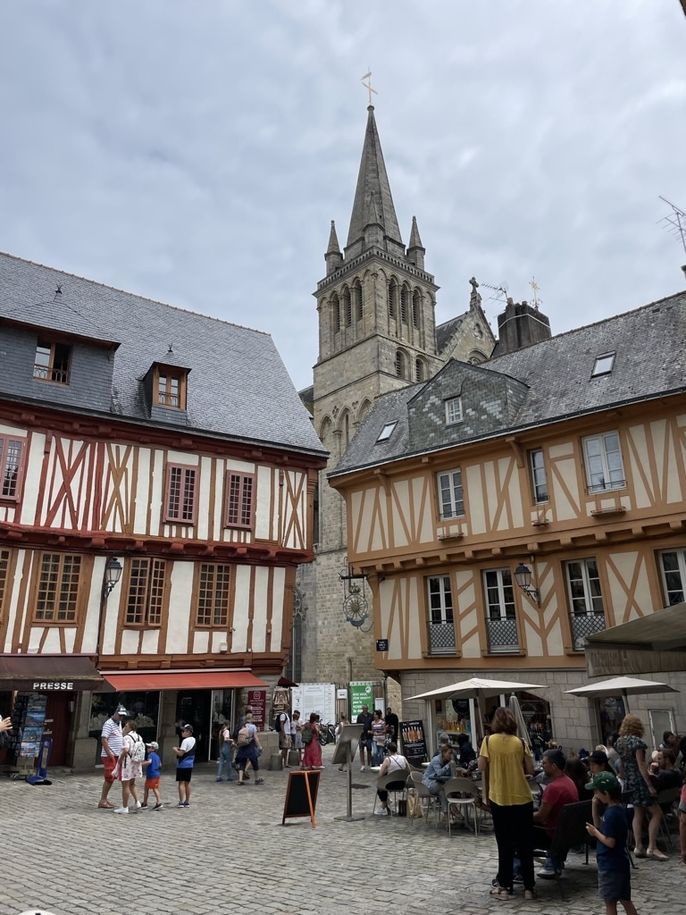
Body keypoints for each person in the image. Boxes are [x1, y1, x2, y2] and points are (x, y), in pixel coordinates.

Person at [478, 706, 535, 901]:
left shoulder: (488, 741)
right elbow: (530, 768)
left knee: (505, 844)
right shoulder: (520, 742)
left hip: (500, 797)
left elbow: (481, 766)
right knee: (525, 844)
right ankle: (529, 887)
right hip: (522, 798)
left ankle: (505, 886)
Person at [585, 772, 638, 915]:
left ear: (606, 793)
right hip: (620, 863)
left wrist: (595, 833)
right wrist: (594, 806)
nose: (595, 794)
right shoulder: (618, 809)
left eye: (597, 791)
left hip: (610, 865)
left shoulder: (611, 814)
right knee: (626, 900)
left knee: (610, 903)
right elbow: (600, 826)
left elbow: (610, 842)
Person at [615, 714, 666, 860]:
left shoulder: (620, 742)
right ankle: (652, 847)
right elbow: (641, 764)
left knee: (638, 813)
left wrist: (623, 776)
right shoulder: (637, 742)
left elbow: (622, 765)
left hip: (629, 781)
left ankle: (638, 846)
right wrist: (649, 784)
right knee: (657, 813)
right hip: (639, 781)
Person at [533, 748, 579, 878]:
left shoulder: (553, 788)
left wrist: (521, 816)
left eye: (544, 763)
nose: (542, 766)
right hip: (568, 832)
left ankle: (517, 869)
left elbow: (541, 816)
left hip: (553, 833)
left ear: (554, 766)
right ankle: (554, 862)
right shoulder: (569, 782)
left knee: (516, 830)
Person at [98, 705, 127, 809]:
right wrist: (109, 753)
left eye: (123, 716)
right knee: (109, 777)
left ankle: (105, 799)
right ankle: (102, 800)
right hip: (110, 755)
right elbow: (104, 739)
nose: (121, 717)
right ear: (115, 713)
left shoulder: (118, 723)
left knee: (112, 777)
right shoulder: (108, 724)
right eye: (120, 715)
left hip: (116, 754)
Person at [114, 719, 144, 814]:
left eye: (126, 726)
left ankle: (125, 807)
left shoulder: (127, 737)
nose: (124, 727)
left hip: (128, 763)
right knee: (132, 783)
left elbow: (126, 749)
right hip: (136, 763)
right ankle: (137, 802)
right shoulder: (139, 737)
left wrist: (120, 760)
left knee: (125, 785)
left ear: (130, 727)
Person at [375, 742, 409, 816]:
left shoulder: (388, 760)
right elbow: (408, 770)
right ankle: (387, 801)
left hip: (391, 784)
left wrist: (386, 772)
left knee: (379, 785)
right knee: (382, 783)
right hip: (402, 784)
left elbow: (380, 774)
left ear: (389, 751)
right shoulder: (403, 758)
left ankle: (384, 804)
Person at [422, 744, 453, 816]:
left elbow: (449, 774)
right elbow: (439, 773)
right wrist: (448, 765)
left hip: (438, 784)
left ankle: (447, 812)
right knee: (445, 790)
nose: (451, 755)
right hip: (428, 784)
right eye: (449, 753)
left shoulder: (446, 761)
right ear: (444, 753)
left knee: (444, 791)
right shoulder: (436, 760)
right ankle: (453, 811)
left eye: (451, 753)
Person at [235, 713, 264, 785]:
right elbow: (255, 738)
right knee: (254, 762)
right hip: (250, 746)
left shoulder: (242, 726)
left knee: (242, 762)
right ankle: (257, 779)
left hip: (242, 746)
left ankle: (240, 780)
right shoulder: (253, 727)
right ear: (251, 719)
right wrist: (259, 746)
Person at [174, 723, 196, 807]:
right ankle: (187, 801)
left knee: (181, 783)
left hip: (182, 764)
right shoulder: (193, 739)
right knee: (187, 783)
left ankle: (181, 801)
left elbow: (181, 754)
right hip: (190, 764)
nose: (182, 732)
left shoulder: (185, 741)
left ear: (188, 732)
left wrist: (175, 749)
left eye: (183, 731)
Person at [141, 741, 163, 810]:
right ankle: (145, 803)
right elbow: (160, 765)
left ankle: (158, 802)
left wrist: (141, 764)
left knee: (152, 789)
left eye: (149, 747)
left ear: (153, 749)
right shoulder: (157, 756)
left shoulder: (150, 755)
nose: (147, 748)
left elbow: (149, 762)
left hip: (151, 775)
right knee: (149, 788)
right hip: (157, 774)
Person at [356, 704, 373, 771]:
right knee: (361, 750)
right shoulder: (359, 716)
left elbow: (372, 725)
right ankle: (362, 765)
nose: (365, 709)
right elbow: (358, 725)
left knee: (369, 750)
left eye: (366, 708)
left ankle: (369, 764)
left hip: (369, 736)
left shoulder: (370, 716)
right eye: (364, 708)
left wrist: (371, 731)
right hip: (362, 736)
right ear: (362, 709)